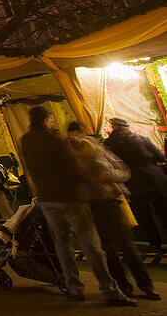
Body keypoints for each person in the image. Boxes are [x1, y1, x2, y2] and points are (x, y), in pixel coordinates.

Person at [19, 106, 134, 305]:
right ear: (46, 120)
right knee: (91, 244)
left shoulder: (25, 141)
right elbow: (72, 168)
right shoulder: (56, 141)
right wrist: (92, 181)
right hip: (70, 197)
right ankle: (109, 290)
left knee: (62, 244)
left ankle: (74, 288)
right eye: (51, 119)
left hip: (47, 199)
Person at [68, 122, 160, 300]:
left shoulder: (99, 151)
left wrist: (103, 176)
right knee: (107, 248)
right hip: (89, 206)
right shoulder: (69, 159)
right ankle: (123, 286)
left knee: (126, 245)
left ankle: (146, 285)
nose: (74, 140)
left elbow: (124, 172)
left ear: (83, 135)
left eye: (76, 136)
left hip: (109, 202)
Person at [104, 117, 167, 252]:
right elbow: (160, 157)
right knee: (163, 211)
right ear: (126, 127)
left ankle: (155, 243)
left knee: (144, 215)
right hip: (154, 180)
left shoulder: (108, 144)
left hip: (132, 183)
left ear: (113, 127)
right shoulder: (142, 139)